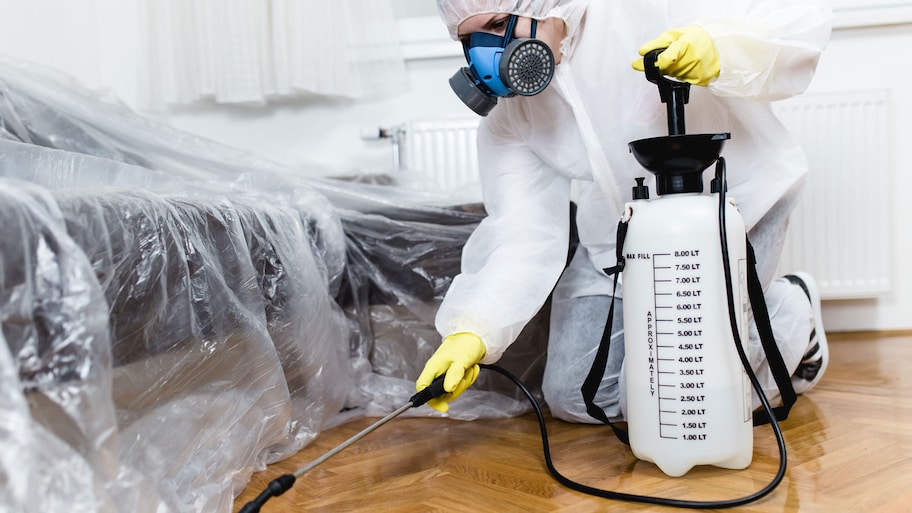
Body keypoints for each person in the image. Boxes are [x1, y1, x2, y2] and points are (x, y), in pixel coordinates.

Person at [416, 0, 833, 423]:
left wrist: (723, 47)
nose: (489, 53)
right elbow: (524, 234)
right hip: (621, 224)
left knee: (665, 398)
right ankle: (743, 344)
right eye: (470, 39)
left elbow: (799, 24)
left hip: (733, 201)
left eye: (500, 23)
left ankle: (790, 313)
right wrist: (473, 330)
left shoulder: (639, 9)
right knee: (574, 398)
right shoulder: (513, 117)